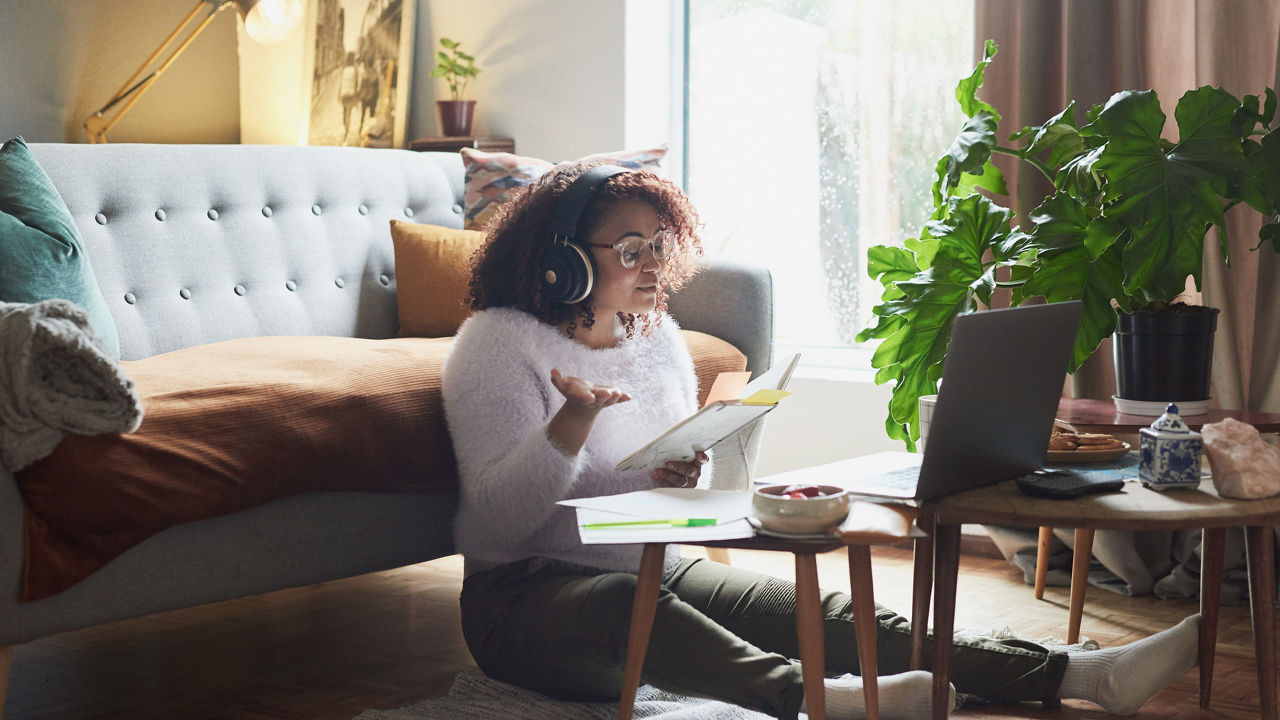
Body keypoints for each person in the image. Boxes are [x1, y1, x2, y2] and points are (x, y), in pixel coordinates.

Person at [441, 163, 1202, 720]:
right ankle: (824, 704)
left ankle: (1077, 675)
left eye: (658, 247)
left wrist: (684, 473)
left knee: (838, 618)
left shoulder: (658, 339)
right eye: (630, 249)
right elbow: (502, 523)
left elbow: (653, 493)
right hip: (524, 600)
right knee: (619, 605)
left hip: (655, 563)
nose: (653, 267)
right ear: (562, 261)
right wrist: (569, 426)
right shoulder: (496, 345)